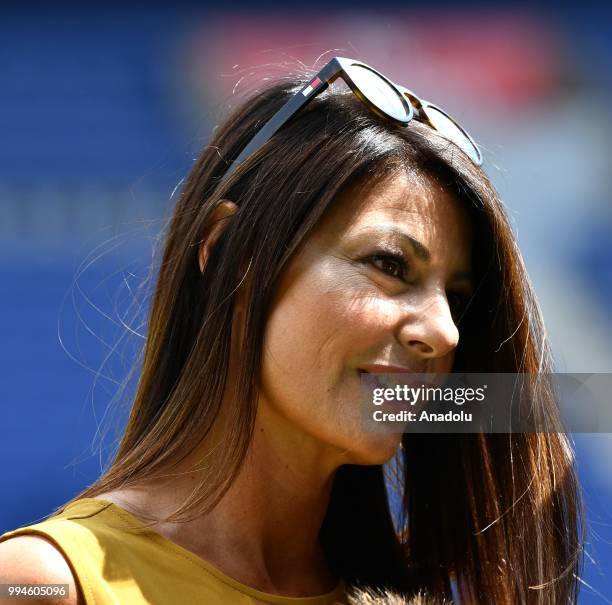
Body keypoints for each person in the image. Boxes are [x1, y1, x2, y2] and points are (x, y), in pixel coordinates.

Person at [0, 57, 583, 605]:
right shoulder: (44, 584)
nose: (445, 332)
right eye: (389, 264)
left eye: (455, 297)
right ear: (231, 251)